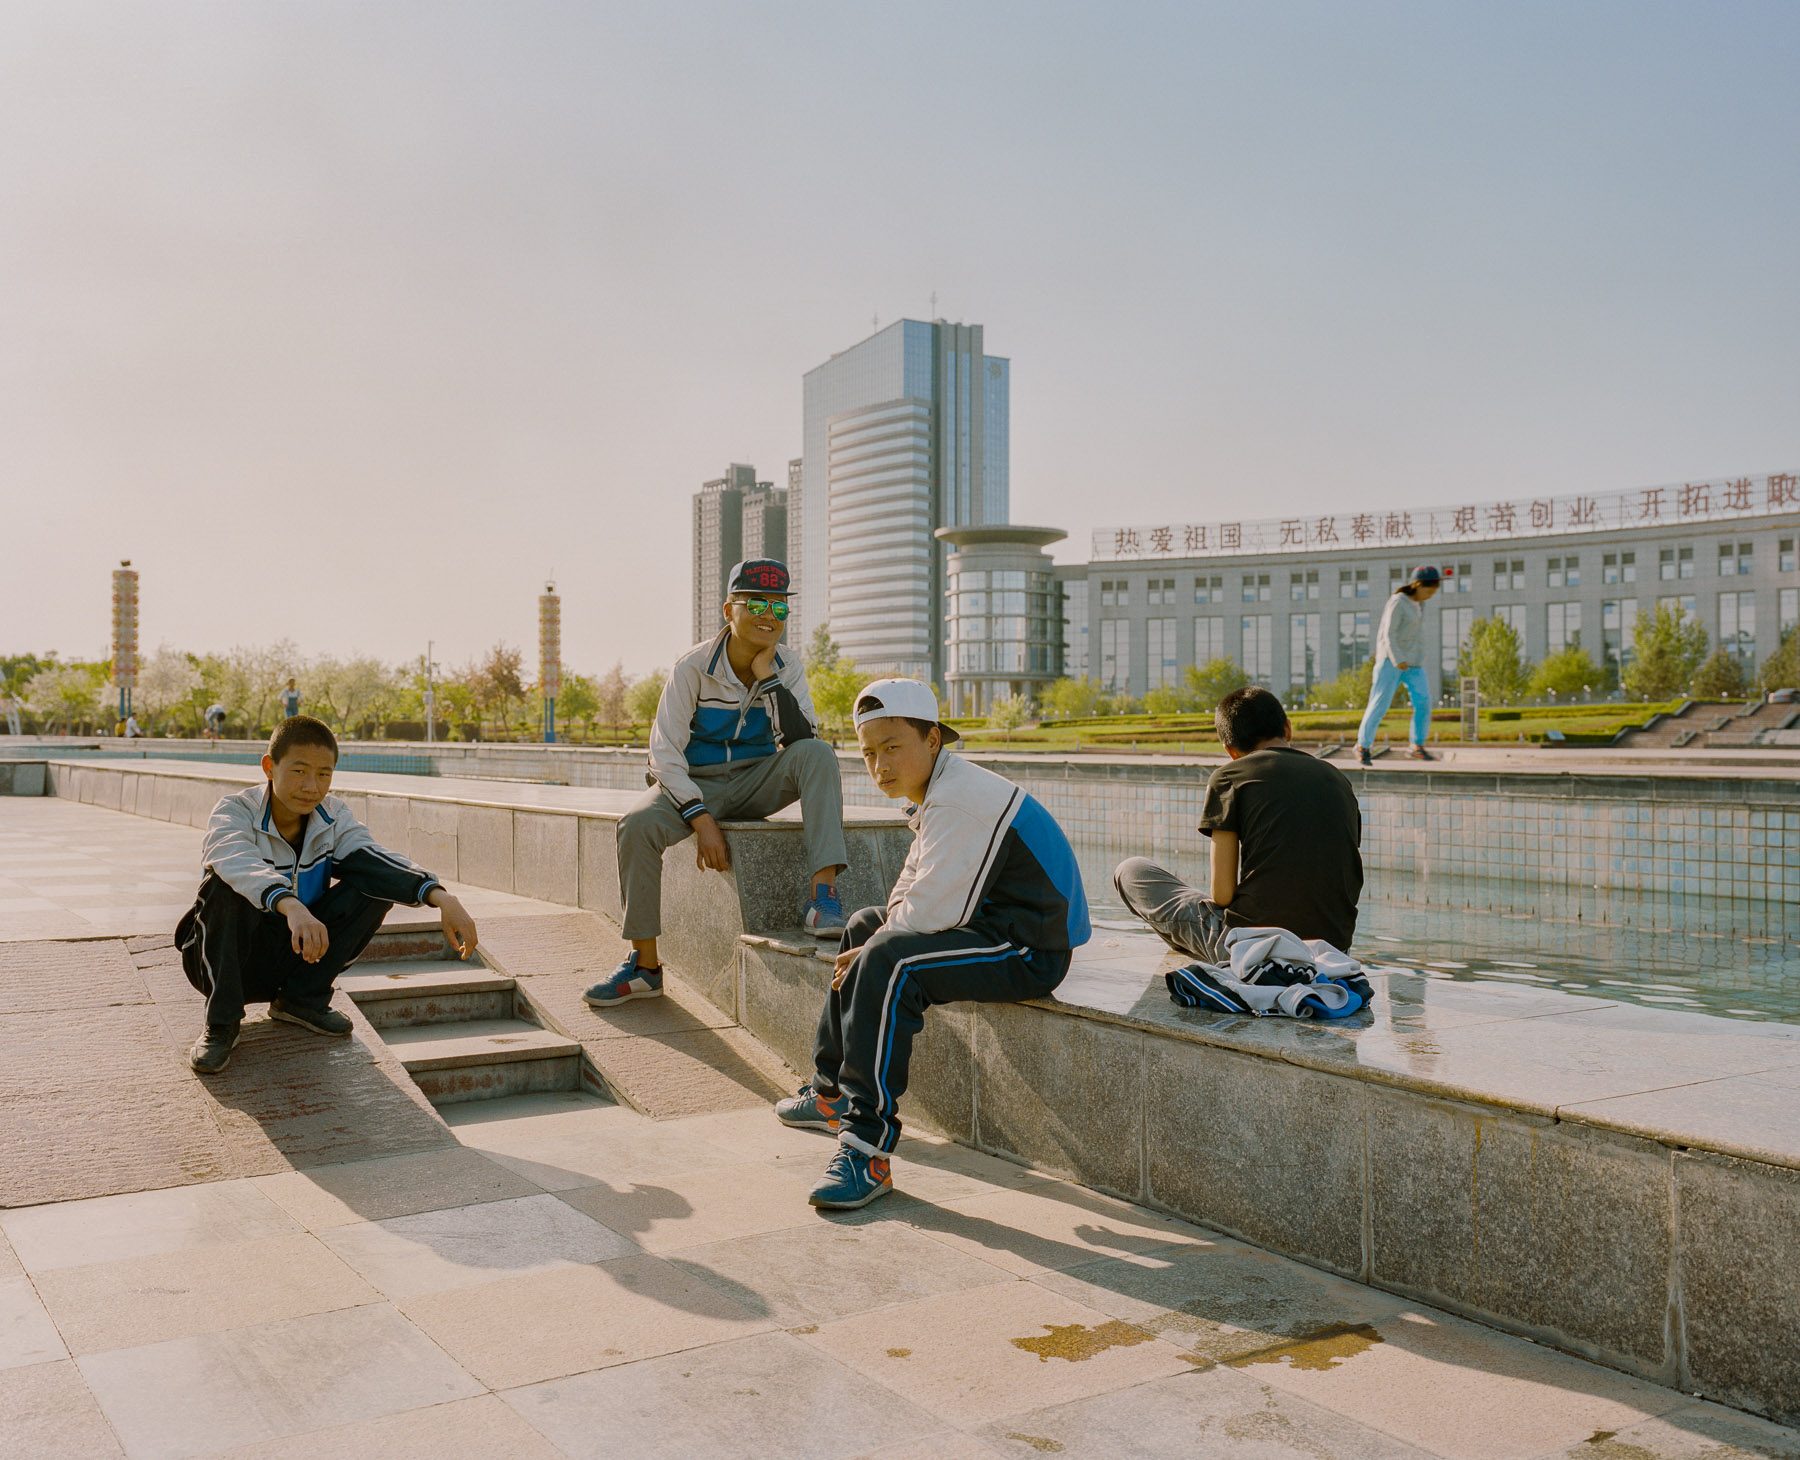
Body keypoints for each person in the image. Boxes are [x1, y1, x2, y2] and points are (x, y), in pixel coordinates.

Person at [776, 678, 1090, 1210]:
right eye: (870, 752)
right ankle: (830, 1092)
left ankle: (866, 1148)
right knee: (862, 926)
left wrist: (881, 945)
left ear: (933, 740)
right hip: (988, 926)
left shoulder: (960, 799)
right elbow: (912, 886)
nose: (880, 765)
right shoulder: (938, 790)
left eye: (893, 747)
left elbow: (936, 909)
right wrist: (875, 935)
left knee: (887, 958)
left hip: (1027, 948)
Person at [584, 558, 848, 1007]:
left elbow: (803, 739)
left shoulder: (788, 665)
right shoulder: (692, 667)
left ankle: (823, 900)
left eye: (780, 609)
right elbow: (663, 754)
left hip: (754, 783)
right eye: (757, 604)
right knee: (636, 825)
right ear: (730, 610)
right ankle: (645, 967)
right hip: (695, 785)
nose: (769, 616)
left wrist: (769, 680)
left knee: (819, 755)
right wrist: (701, 820)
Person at [174, 715, 478, 1075]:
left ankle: (302, 1000)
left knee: (375, 886)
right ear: (269, 767)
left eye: (324, 774)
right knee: (221, 884)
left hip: (297, 955)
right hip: (230, 964)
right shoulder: (234, 811)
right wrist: (292, 906)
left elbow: (372, 858)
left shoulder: (332, 815)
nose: (311, 786)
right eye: (299, 771)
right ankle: (221, 1022)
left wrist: (443, 898)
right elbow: (234, 860)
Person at [1116, 685, 1362, 965]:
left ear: (1229, 750)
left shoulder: (1229, 777)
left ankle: (1208, 953)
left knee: (1131, 871)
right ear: (1287, 728)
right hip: (1334, 948)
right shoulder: (1338, 780)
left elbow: (1222, 894)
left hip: (1253, 948)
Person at [1356, 565, 1442, 764]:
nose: (1429, 596)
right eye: (1428, 591)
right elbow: (1389, 633)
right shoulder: (1398, 602)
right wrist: (1397, 658)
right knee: (1380, 703)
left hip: (1414, 664)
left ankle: (1416, 746)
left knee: (1424, 701)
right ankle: (1362, 746)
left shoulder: (1418, 604)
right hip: (1391, 661)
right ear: (1418, 585)